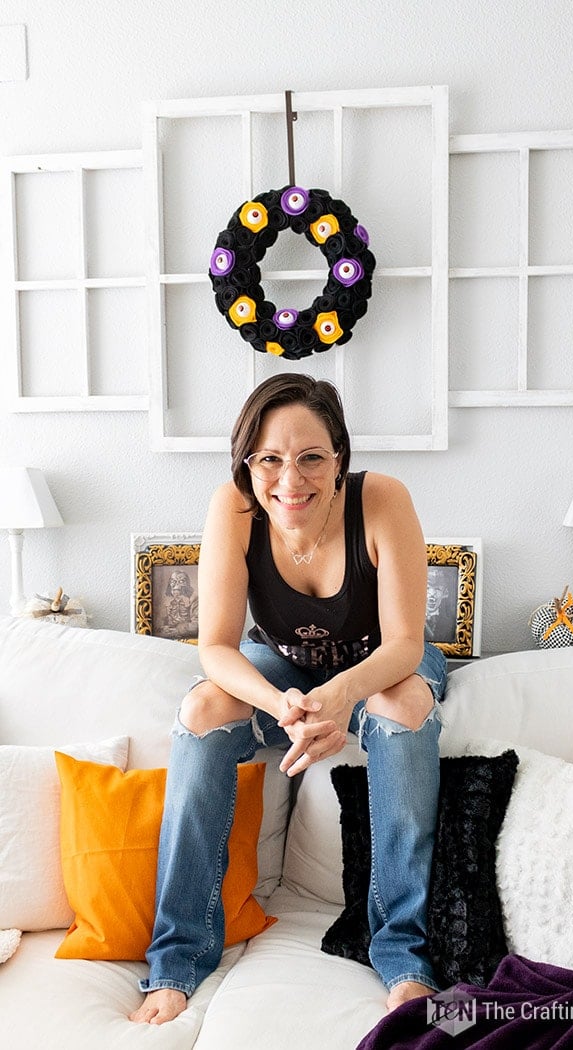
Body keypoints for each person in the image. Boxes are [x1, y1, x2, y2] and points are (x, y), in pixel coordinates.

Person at [130, 373, 447, 1026]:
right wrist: (285, 708)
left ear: (339, 458)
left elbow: (406, 644)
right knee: (202, 709)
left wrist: (337, 698)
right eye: (269, 458)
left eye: (310, 457)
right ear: (249, 461)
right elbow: (216, 649)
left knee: (403, 704)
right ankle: (178, 957)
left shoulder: (382, 499)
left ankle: (404, 956)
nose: (289, 479)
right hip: (283, 672)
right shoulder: (235, 507)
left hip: (379, 666)